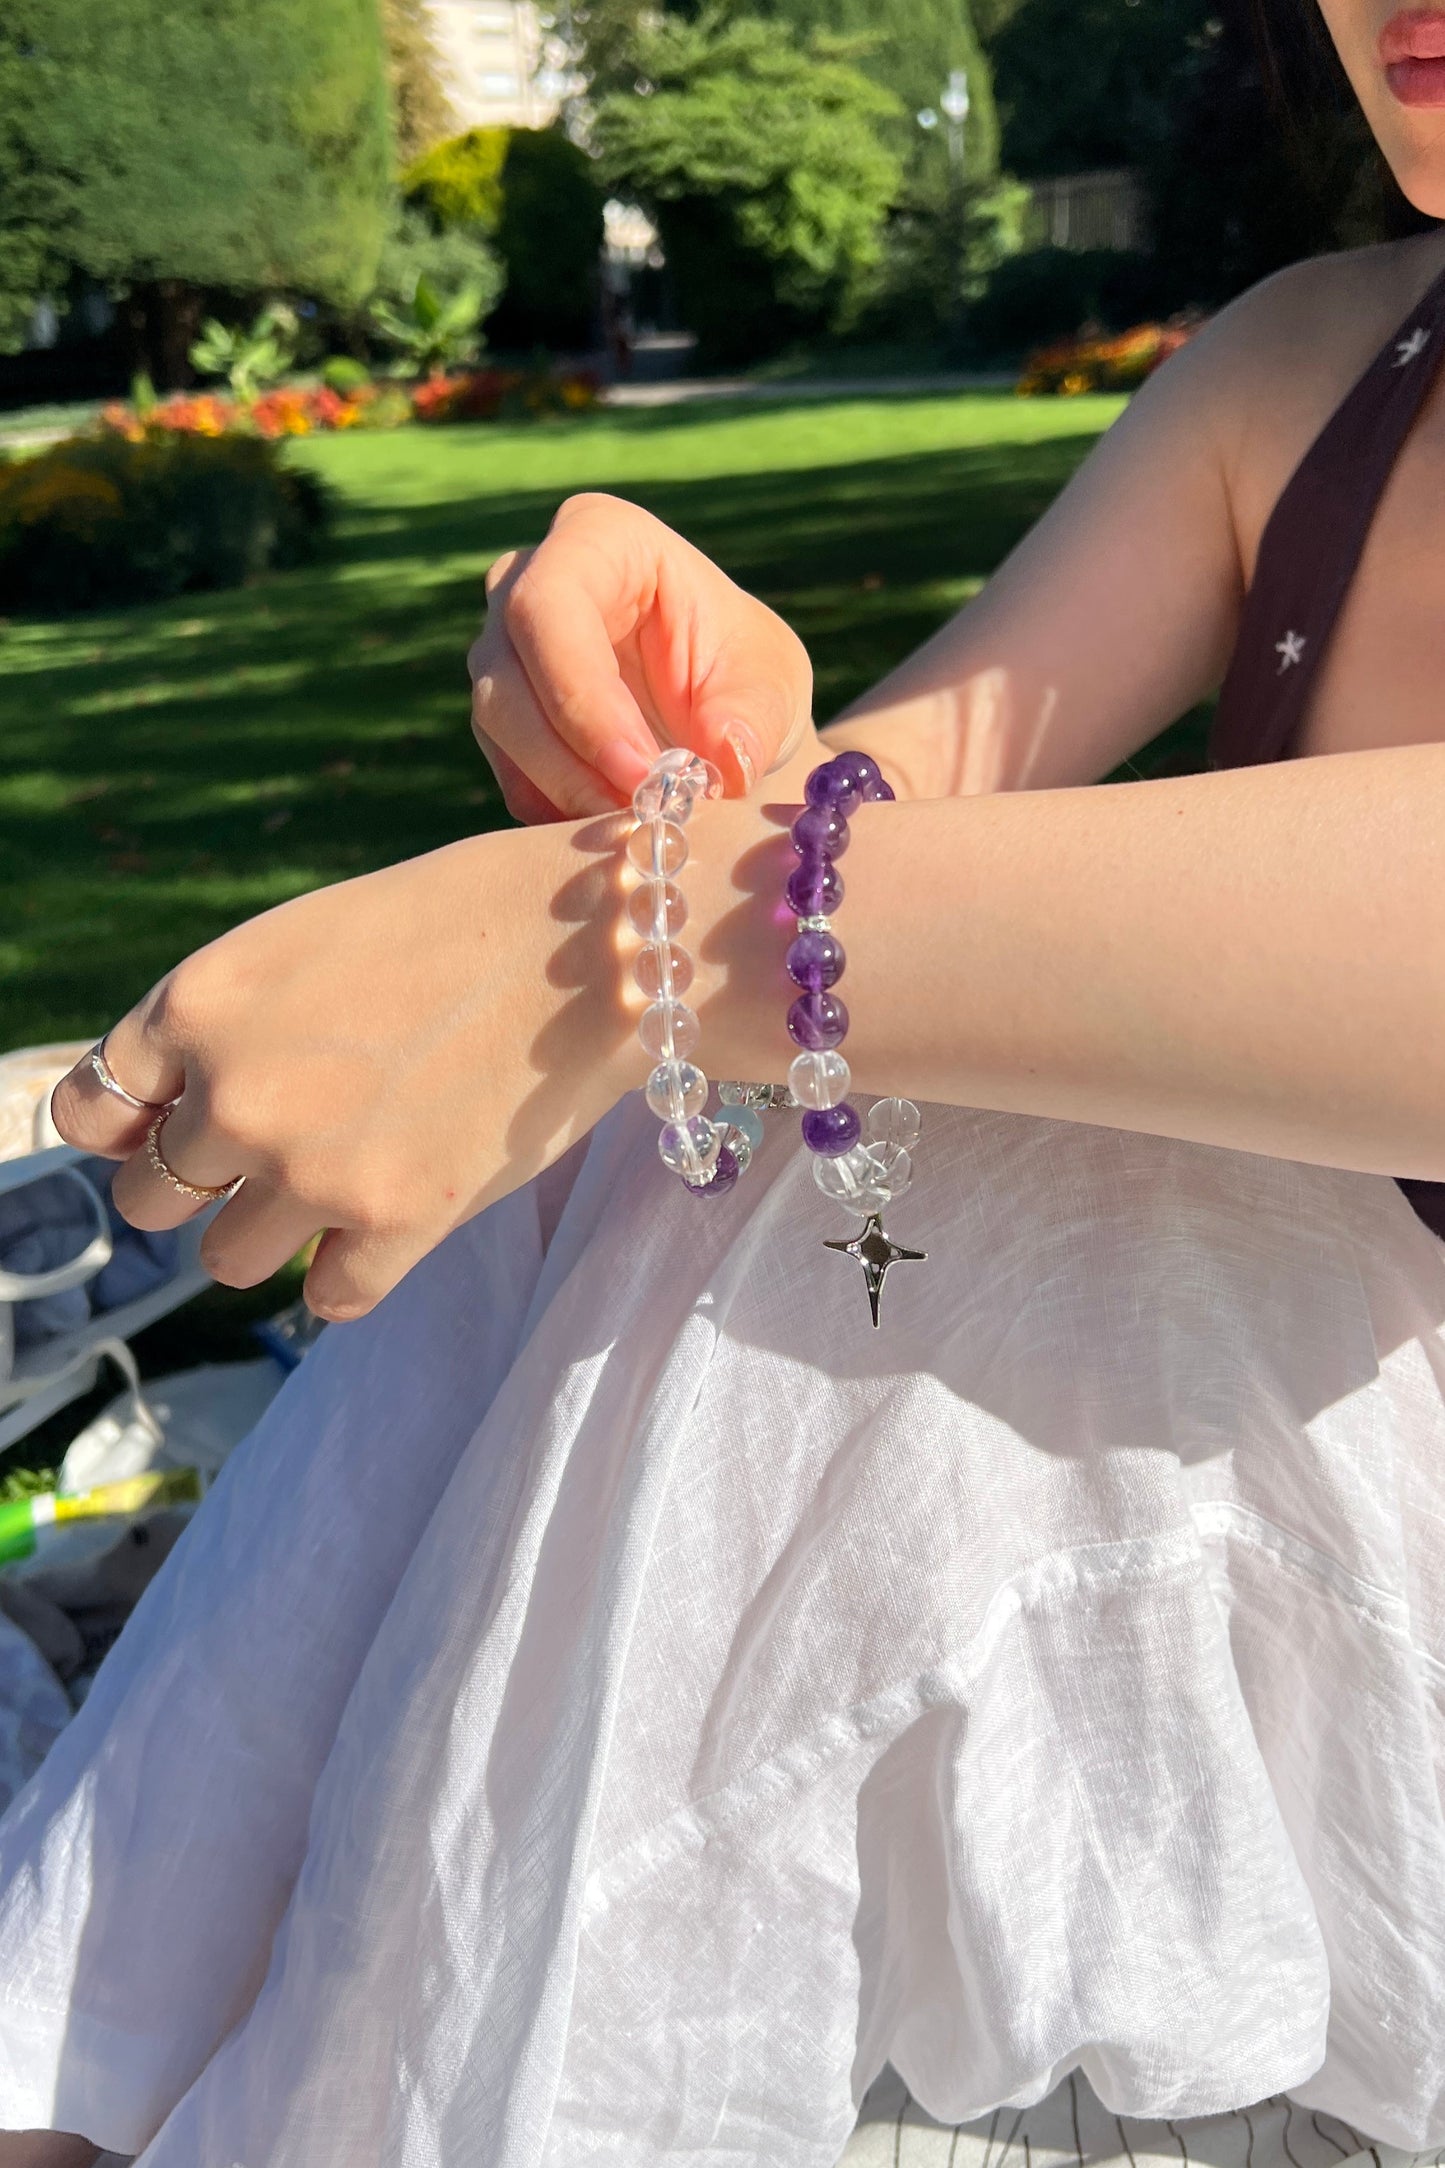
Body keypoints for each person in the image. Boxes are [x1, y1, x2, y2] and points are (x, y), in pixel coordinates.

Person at [5, 1, 1445, 2160]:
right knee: (730, 1133)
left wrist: (626, 933)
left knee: (984, 1191)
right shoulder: (1319, 365)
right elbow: (890, 815)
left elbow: (792, 931)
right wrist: (688, 757)